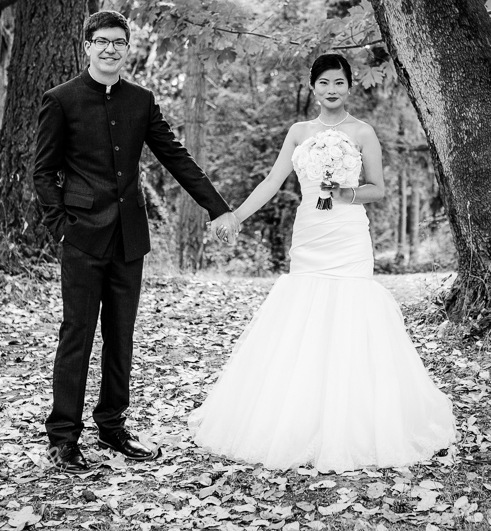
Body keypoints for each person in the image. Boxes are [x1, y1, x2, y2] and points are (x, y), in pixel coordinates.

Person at [190, 53, 456, 473]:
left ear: (350, 86)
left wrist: (346, 192)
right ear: (313, 87)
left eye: (339, 83)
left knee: (350, 313)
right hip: (311, 233)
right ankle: (300, 417)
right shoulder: (298, 132)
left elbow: (379, 188)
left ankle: (353, 419)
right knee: (305, 313)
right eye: (324, 83)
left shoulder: (363, 132)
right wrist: (235, 216)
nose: (332, 90)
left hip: (348, 234)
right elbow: (273, 181)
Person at [33, 10, 239, 472]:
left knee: (120, 336)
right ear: (87, 45)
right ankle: (63, 436)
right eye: (102, 41)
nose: (110, 49)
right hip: (82, 237)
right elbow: (43, 172)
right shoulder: (60, 100)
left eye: (119, 42)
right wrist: (59, 227)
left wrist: (218, 206)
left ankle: (112, 426)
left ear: (128, 48)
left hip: (129, 238)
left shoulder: (141, 101)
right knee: (77, 334)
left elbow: (175, 155)